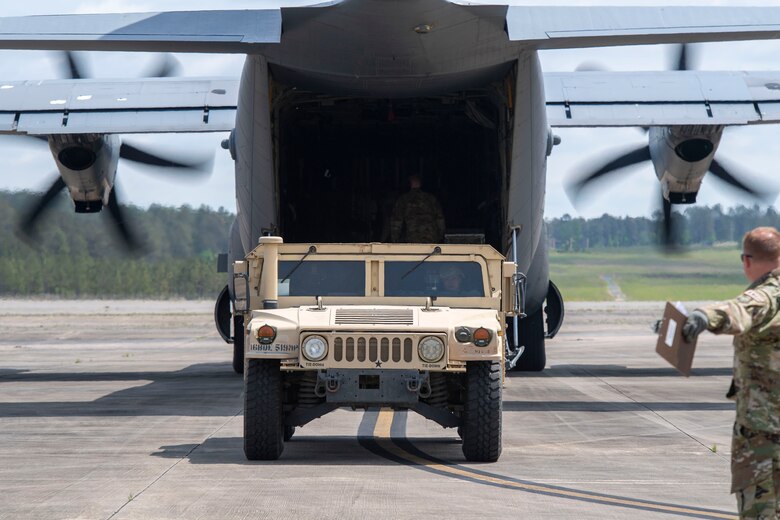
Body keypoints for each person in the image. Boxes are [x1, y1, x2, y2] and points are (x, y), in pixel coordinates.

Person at [682, 226, 780, 520]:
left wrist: (704, 317)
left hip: (764, 438)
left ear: (746, 261)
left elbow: (743, 309)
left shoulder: (768, 295)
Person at [390, 174, 445, 243]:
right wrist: (440, 236)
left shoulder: (403, 199)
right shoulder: (431, 199)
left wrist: (395, 239)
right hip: (431, 237)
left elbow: (396, 221)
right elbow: (440, 219)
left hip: (411, 237)